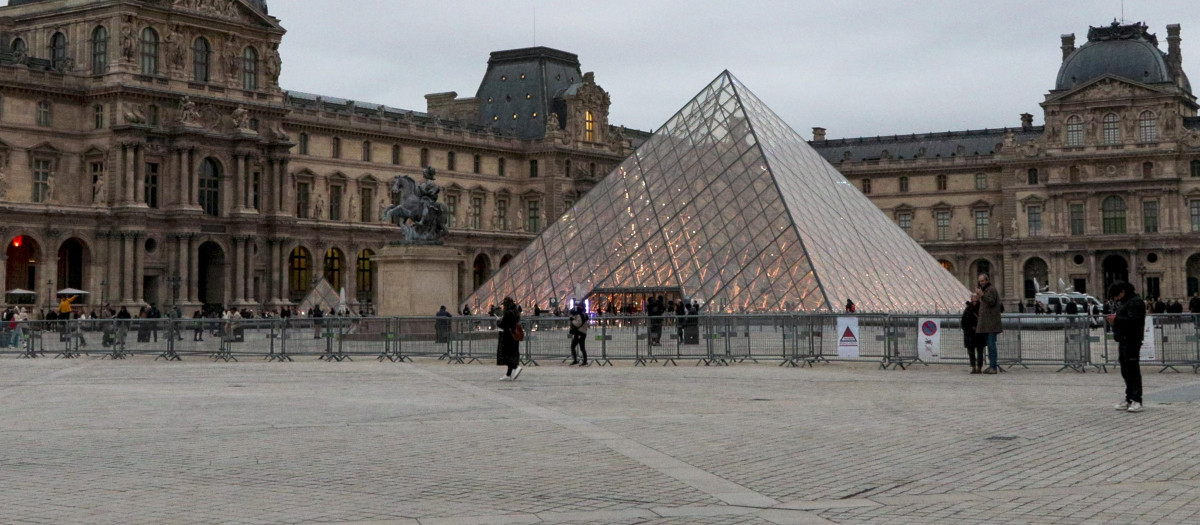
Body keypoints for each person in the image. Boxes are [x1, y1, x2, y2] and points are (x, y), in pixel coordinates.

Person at [1106, 281, 1146, 413]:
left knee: (1133, 370)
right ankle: (1129, 398)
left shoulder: (1136, 302)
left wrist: (1115, 320)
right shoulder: (1126, 302)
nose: (1115, 299)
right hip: (1124, 339)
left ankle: (1137, 400)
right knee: (1126, 370)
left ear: (1123, 292)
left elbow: (1134, 321)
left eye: (1116, 295)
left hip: (1132, 340)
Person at [974, 273, 1003, 374]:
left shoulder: (991, 289)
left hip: (991, 323)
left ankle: (993, 367)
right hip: (987, 323)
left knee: (991, 345)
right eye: (979, 281)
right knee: (989, 345)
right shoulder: (986, 290)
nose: (980, 283)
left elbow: (991, 302)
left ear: (987, 280)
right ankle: (991, 366)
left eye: (982, 281)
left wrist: (982, 295)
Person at [496, 297, 522, 381]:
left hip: (508, 335)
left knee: (506, 354)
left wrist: (498, 321)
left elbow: (503, 324)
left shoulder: (508, 313)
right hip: (514, 335)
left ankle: (516, 367)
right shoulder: (516, 311)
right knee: (512, 353)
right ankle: (508, 374)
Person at [960, 300, 985, 374]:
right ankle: (973, 367)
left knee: (980, 352)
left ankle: (979, 367)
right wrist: (968, 329)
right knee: (971, 352)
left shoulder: (981, 309)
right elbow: (963, 322)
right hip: (970, 333)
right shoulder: (968, 309)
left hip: (979, 333)